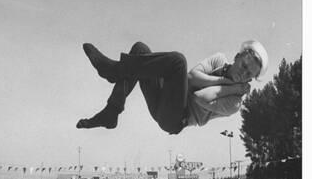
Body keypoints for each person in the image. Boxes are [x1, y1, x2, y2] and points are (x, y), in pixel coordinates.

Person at [76, 40, 268, 135]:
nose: (244, 74)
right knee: (140, 50)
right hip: (163, 100)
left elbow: (199, 97)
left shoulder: (235, 102)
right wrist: (224, 82)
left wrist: (232, 88)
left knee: (178, 61)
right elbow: (191, 78)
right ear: (237, 57)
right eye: (244, 66)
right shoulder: (219, 60)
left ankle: (114, 71)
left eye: (249, 74)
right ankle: (112, 111)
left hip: (176, 119)